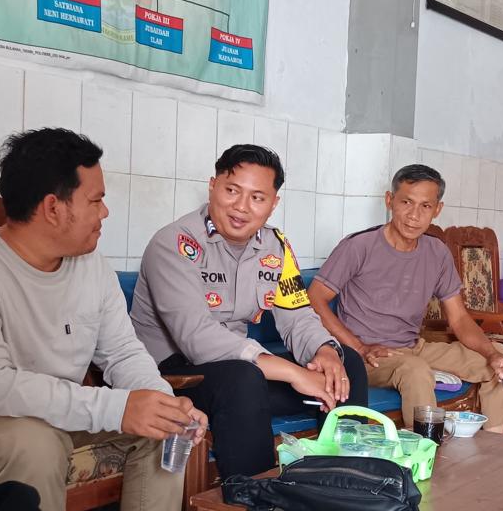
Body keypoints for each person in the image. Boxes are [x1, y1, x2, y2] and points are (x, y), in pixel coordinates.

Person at [0, 128, 206, 511]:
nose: (105, 212)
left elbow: (122, 352)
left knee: (163, 430)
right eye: (95, 200)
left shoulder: (92, 266)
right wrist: (117, 408)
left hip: (52, 407)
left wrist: (162, 403)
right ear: (53, 208)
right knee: (35, 443)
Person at [130, 144, 368, 478]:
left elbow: (297, 315)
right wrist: (293, 373)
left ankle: (345, 479)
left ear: (273, 204)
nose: (241, 207)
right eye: (231, 191)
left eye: (257, 197)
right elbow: (196, 339)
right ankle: (253, 498)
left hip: (240, 372)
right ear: (213, 186)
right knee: (243, 379)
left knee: (345, 364)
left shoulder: (275, 246)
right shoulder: (174, 243)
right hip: (173, 374)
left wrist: (324, 350)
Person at [307, 164, 503, 432]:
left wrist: (491, 352)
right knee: (415, 369)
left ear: (437, 210)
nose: (414, 215)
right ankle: (427, 451)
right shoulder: (359, 246)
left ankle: (494, 448)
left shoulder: (437, 252)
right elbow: (314, 299)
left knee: (500, 358)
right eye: (406, 202)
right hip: (365, 356)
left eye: (425, 206)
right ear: (390, 200)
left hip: (412, 347)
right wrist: (359, 348)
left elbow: (459, 319)